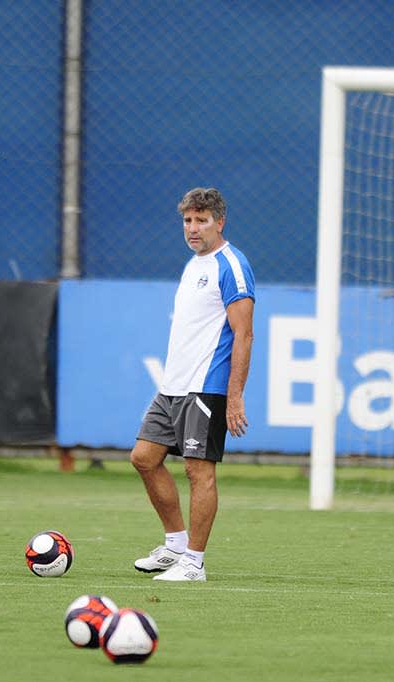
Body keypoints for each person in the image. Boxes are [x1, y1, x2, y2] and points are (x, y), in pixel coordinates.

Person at [130, 187, 255, 582]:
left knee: (199, 472)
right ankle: (175, 544)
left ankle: (194, 563)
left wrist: (234, 396)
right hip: (173, 386)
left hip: (206, 387)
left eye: (201, 221)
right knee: (144, 458)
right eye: (187, 220)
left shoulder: (231, 266)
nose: (193, 228)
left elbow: (244, 334)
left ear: (220, 222)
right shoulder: (193, 264)